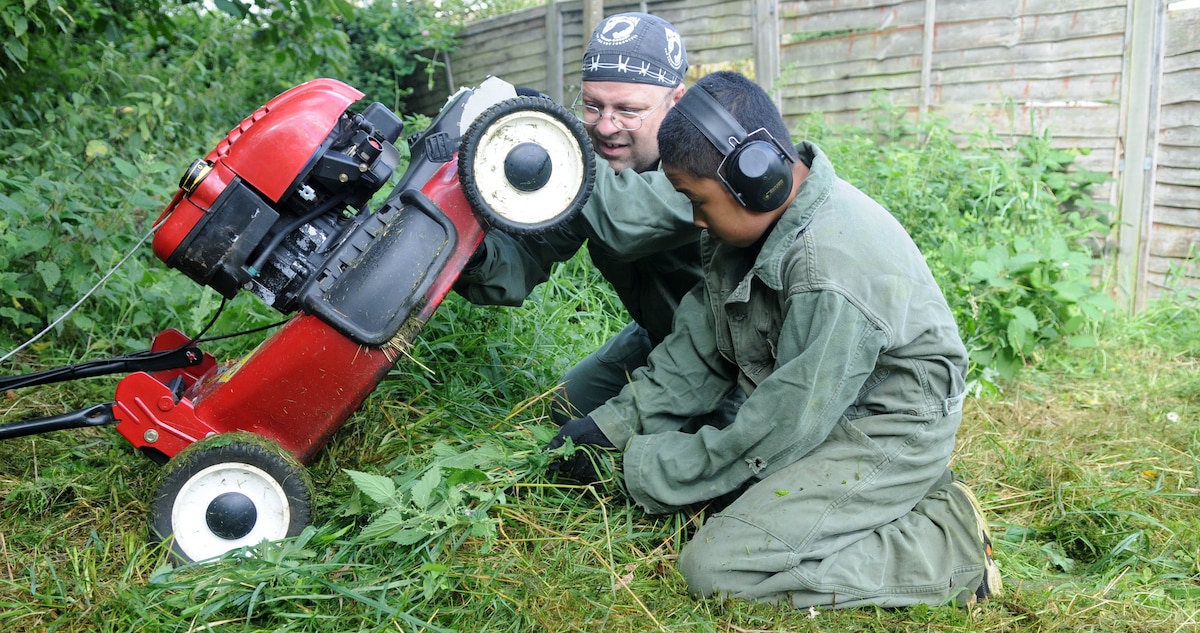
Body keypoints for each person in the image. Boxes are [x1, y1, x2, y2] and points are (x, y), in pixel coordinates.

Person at [546, 70, 1002, 609]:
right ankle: (884, 504)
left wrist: (643, 468)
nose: (693, 219)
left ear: (754, 177)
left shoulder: (828, 271)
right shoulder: (748, 225)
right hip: (822, 403)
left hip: (885, 425)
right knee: (717, 496)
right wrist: (611, 428)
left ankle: (945, 546)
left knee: (718, 569)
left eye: (696, 200)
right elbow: (698, 352)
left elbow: (779, 432)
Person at [455, 13, 743, 428]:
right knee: (565, 408)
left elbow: (624, 221)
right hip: (661, 334)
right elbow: (519, 263)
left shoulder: (705, 161)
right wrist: (471, 252)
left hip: (735, 351)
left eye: (628, 110)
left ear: (676, 101)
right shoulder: (591, 176)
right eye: (592, 105)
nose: (605, 127)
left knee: (699, 458)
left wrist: (547, 134)